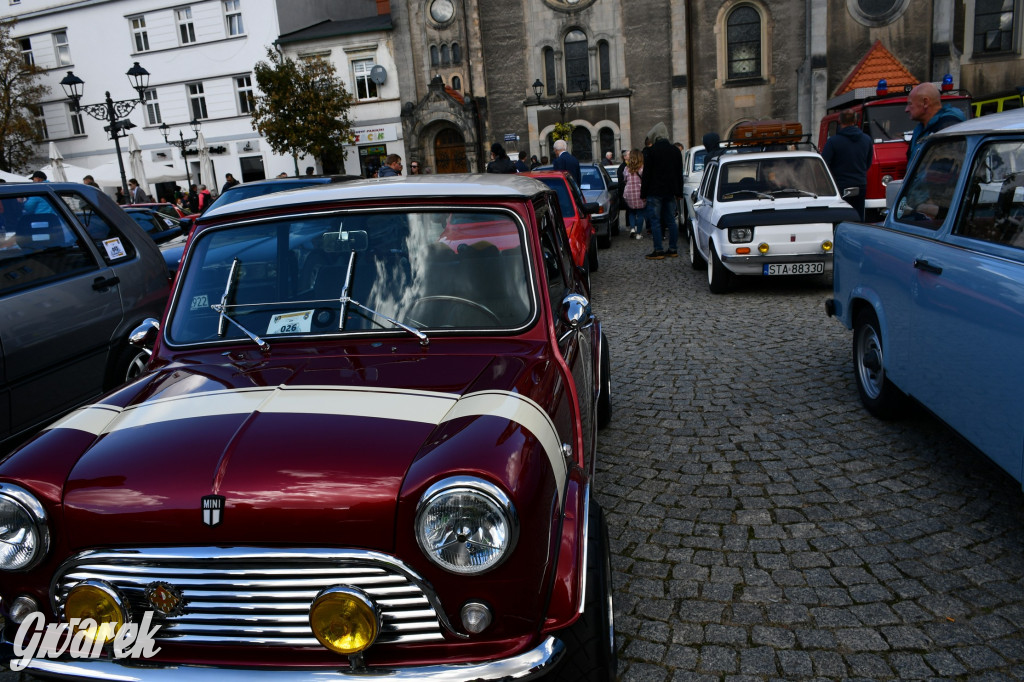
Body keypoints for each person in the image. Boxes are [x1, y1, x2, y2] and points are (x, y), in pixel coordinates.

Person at [640, 122, 683, 259]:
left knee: (655, 221)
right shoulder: (675, 151)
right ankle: (673, 248)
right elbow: (678, 173)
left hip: (655, 191)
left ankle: (658, 250)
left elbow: (647, 174)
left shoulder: (651, 151)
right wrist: (679, 192)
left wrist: (643, 193)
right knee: (671, 220)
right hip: (670, 191)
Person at [821, 108, 873, 220]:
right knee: (858, 217)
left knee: (841, 217)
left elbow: (824, 165)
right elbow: (868, 163)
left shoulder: (833, 142)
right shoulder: (866, 139)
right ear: (855, 121)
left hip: (840, 186)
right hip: (860, 184)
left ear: (840, 120)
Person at [905, 82, 966, 163]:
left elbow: (943, 171)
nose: (906, 110)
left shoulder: (947, 129)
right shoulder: (921, 129)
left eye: (910, 104)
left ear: (925, 102)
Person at [623, 149, 646, 240]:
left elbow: (625, 179)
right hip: (640, 192)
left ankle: (632, 228)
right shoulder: (642, 168)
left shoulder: (626, 168)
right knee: (640, 213)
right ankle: (638, 233)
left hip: (629, 192)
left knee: (631, 212)